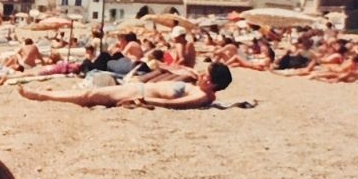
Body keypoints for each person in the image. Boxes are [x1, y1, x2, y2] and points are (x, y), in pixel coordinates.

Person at [17, 62, 233, 109]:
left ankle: (41, 96)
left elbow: (178, 104)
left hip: (138, 92)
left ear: (212, 83)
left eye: (207, 74)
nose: (202, 74)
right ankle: (51, 94)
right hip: (137, 89)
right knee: (90, 93)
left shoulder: (203, 96)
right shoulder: (200, 88)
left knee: (90, 95)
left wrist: (144, 100)